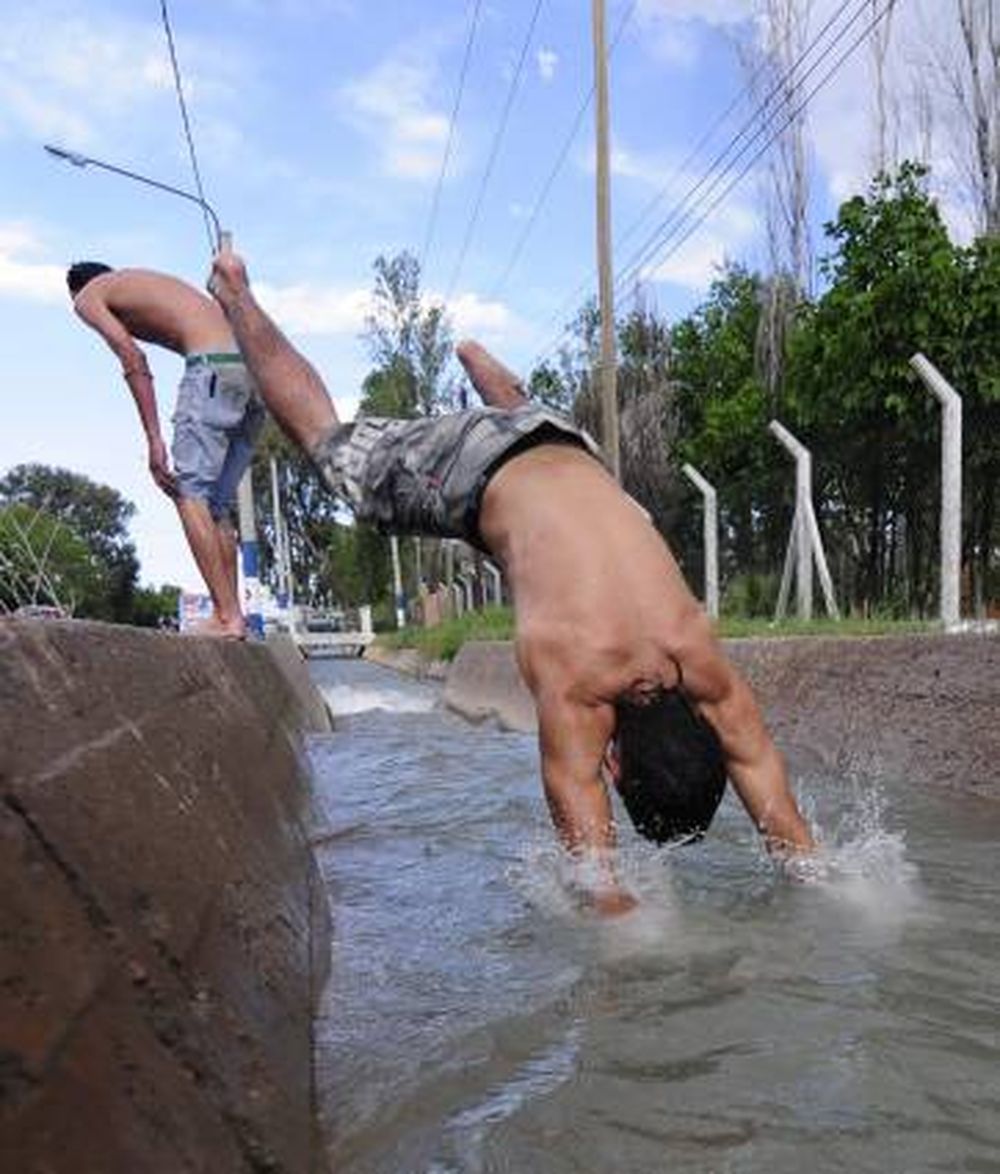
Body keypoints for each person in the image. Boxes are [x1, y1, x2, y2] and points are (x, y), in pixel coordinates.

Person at [209, 245, 815, 913]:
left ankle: (491, 379)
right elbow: (593, 871)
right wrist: (629, 935)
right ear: (616, 766)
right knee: (331, 449)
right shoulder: (579, 683)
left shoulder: (702, 658)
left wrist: (823, 878)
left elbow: (765, 783)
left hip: (562, 437)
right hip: (474, 467)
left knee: (546, 522)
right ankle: (236, 292)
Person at [67, 263, 265, 639]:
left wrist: (154, 439)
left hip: (212, 369)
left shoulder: (88, 296)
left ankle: (226, 617)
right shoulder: (138, 281)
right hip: (255, 373)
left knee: (187, 493)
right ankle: (233, 616)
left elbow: (133, 358)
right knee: (217, 506)